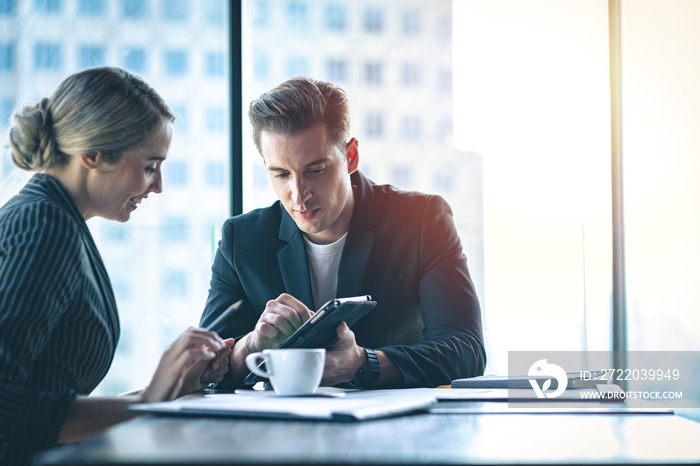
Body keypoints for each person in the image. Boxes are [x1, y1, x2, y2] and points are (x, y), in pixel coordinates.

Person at [0, 67, 233, 466]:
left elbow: (46, 399)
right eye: (149, 166)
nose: (157, 185)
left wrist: (166, 390)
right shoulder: (46, 225)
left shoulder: (53, 217)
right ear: (92, 156)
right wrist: (147, 401)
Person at [200, 77, 485, 389]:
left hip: (395, 430)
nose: (298, 194)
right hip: (283, 431)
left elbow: (466, 352)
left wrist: (364, 363)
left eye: (315, 170)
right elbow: (207, 370)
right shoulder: (241, 240)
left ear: (351, 157)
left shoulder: (422, 221)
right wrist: (252, 345)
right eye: (281, 174)